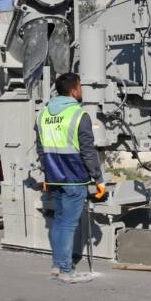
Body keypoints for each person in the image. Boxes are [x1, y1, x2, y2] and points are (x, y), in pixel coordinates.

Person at [36, 72, 105, 284]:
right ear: (74, 89)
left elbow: (40, 149)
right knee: (67, 224)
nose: (82, 90)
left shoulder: (43, 114)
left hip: (54, 177)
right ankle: (66, 271)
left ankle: (57, 266)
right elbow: (88, 151)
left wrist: (47, 174)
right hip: (75, 177)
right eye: (80, 86)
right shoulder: (79, 115)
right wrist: (98, 179)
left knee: (58, 221)